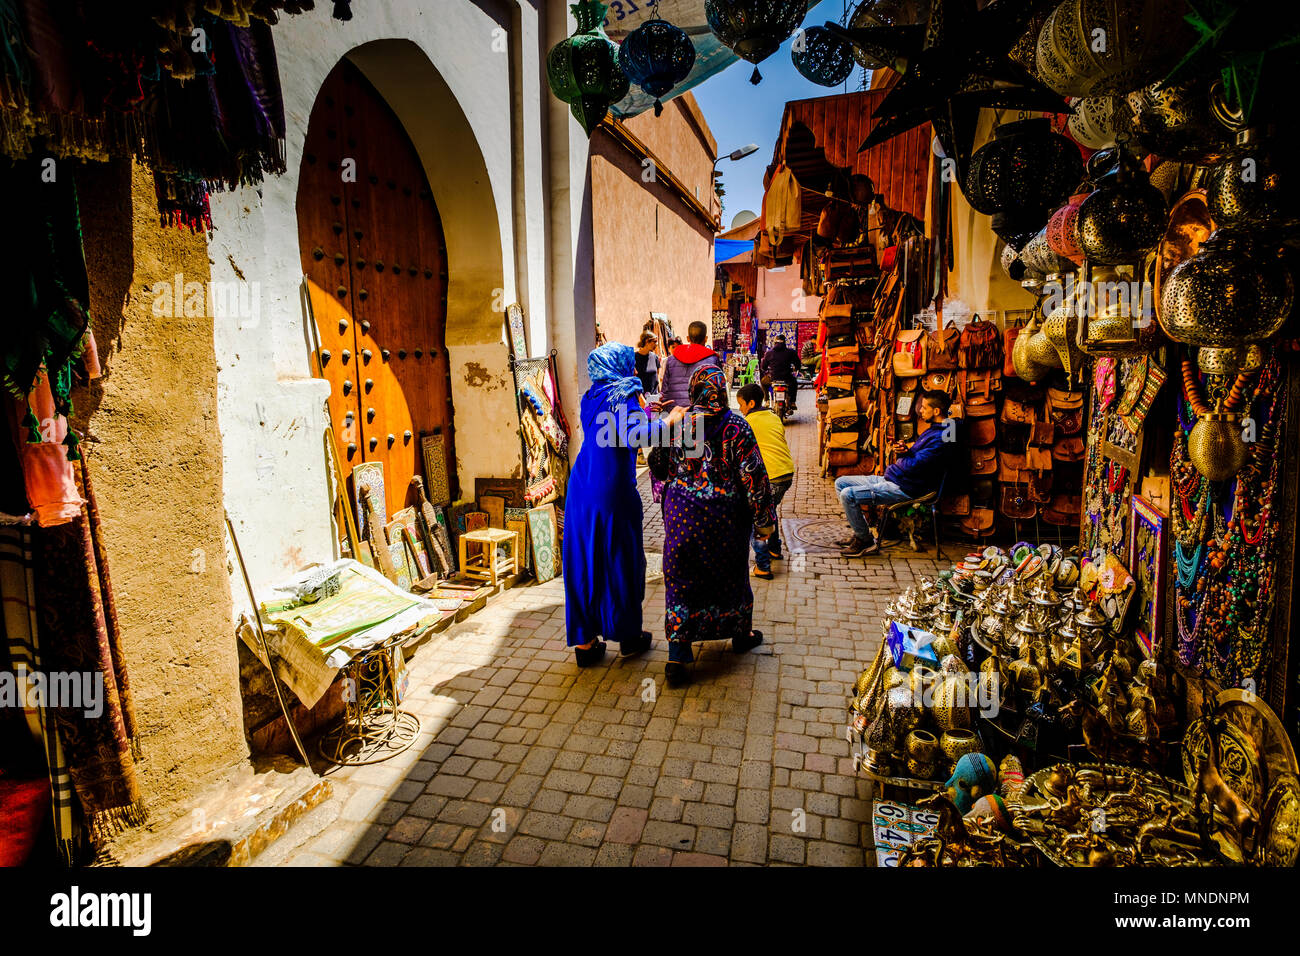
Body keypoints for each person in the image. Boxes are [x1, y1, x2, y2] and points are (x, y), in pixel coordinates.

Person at [649, 366, 773, 688]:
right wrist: (764, 522)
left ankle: (677, 656)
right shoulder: (737, 427)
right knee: (731, 577)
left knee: (681, 580)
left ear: (693, 391)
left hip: (683, 519)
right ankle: (740, 634)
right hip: (725, 523)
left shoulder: (680, 424)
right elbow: (755, 479)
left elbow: (659, 469)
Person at [564, 343, 686, 667]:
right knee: (623, 561)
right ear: (620, 366)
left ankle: (586, 645)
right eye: (629, 364)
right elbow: (635, 436)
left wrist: (652, 407)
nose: (633, 370)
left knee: (585, 562)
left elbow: (613, 426)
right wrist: (671, 421)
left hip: (581, 487)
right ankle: (629, 637)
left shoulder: (591, 396)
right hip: (613, 491)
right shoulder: (624, 395)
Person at [836, 389, 955, 557]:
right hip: (897, 478)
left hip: (907, 487)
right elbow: (919, 457)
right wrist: (906, 450)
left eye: (924, 407)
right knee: (841, 483)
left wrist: (901, 458)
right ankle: (861, 532)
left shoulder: (941, 438)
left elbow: (916, 465)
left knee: (848, 494)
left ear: (936, 411)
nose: (920, 410)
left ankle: (865, 541)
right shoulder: (938, 429)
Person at [736, 383, 794, 580]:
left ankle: (762, 565)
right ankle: (774, 549)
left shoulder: (747, 422)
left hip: (772, 476)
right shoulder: (773, 416)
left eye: (742, 405)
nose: (741, 409)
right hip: (786, 472)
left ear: (751, 403)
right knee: (769, 510)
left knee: (757, 518)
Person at [658, 321, 718, 410]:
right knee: (698, 424)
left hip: (675, 411)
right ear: (706, 339)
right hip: (699, 413)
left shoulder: (671, 360)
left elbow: (665, 391)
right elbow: (716, 389)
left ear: (688, 338)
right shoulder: (712, 360)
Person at [760, 334, 800, 410]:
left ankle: (767, 400)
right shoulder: (791, 352)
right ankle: (792, 402)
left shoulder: (769, 353)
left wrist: (765, 370)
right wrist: (797, 368)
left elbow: (763, 366)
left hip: (773, 378)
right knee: (794, 383)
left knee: (763, 382)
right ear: (784, 342)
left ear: (775, 342)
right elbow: (797, 363)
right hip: (787, 378)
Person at [634, 331, 659, 396]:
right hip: (640, 399)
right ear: (647, 341)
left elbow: (657, 378)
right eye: (655, 341)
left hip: (653, 398)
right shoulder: (634, 358)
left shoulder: (654, 357)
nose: (657, 344)